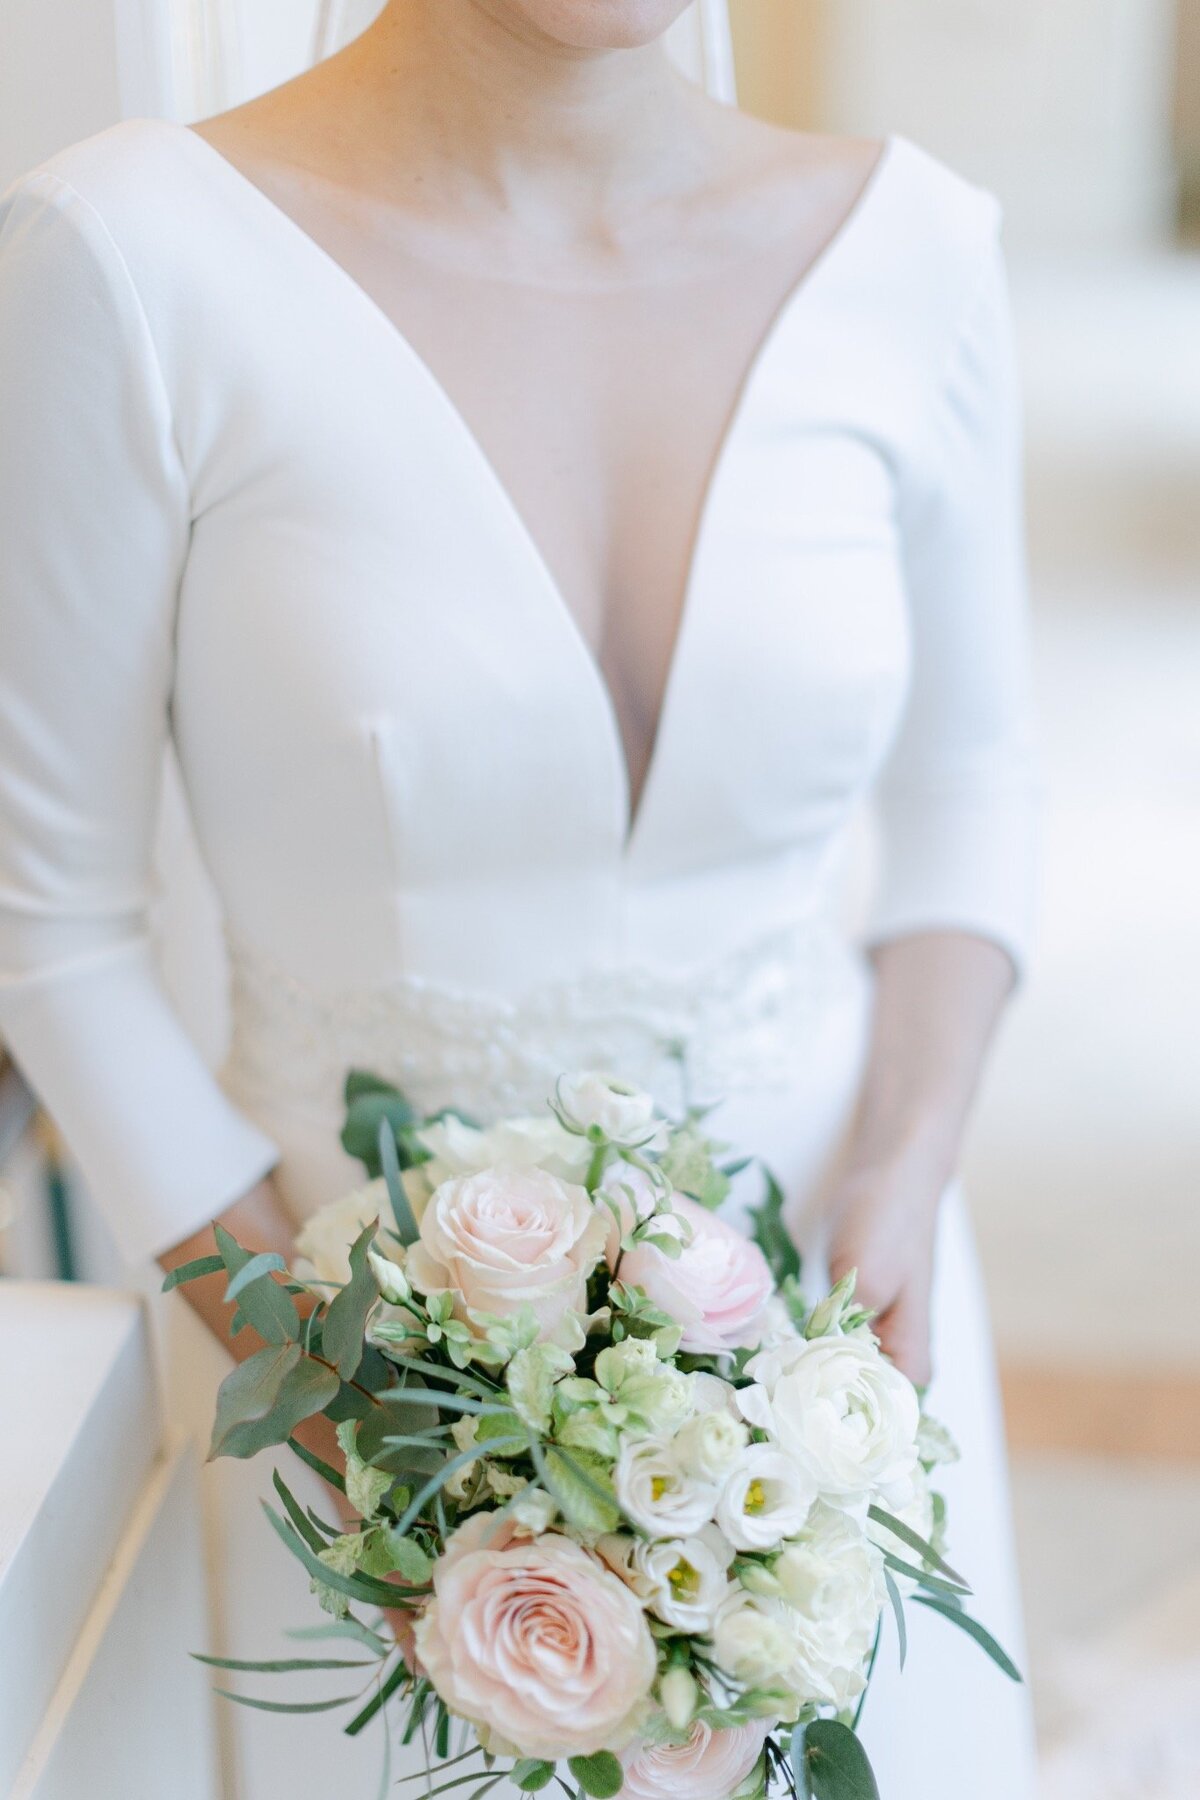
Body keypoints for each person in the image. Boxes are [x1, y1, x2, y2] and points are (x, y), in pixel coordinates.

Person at [0, 1, 1039, 1793]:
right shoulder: (126, 257)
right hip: (339, 1387)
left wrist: (907, 1164)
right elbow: (50, 920)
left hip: (840, 1387)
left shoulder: (921, 247)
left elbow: (970, 798)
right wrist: (346, 1411)